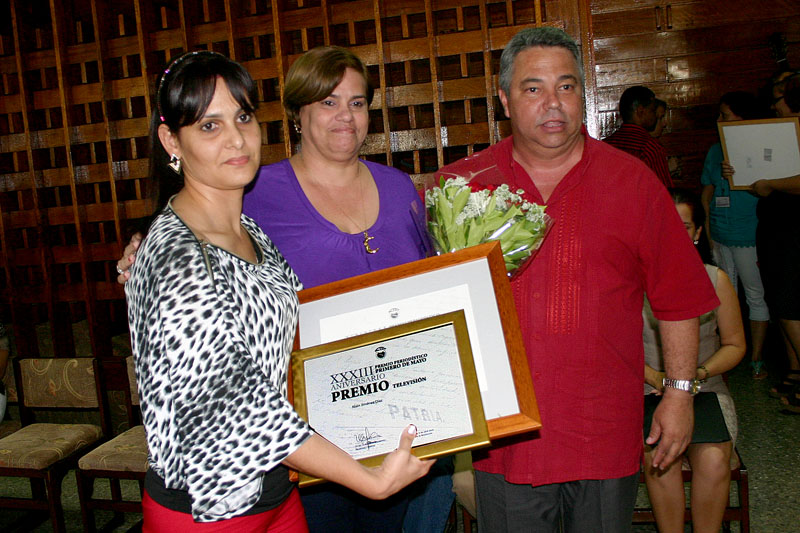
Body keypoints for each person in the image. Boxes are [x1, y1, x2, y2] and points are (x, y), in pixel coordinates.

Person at [117, 47, 452, 532]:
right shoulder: (179, 257)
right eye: (209, 125)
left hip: (277, 487)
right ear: (171, 139)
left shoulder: (250, 231)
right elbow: (238, 406)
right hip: (211, 503)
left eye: (243, 117)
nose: (236, 138)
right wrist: (369, 480)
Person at [435, 27, 719, 532]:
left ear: (583, 96)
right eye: (533, 88)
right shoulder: (462, 188)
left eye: (566, 86)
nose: (553, 103)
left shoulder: (632, 182)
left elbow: (678, 298)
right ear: (504, 100)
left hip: (601, 428)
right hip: (506, 435)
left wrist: (678, 395)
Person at [643, 189, 746, 533]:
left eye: (684, 227)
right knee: (660, 458)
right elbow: (615, 350)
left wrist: (697, 374)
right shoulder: (630, 281)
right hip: (646, 389)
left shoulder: (716, 279)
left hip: (706, 389)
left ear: (697, 232)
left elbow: (734, 344)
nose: (673, 234)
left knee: (714, 460)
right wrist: (656, 378)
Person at [700, 91, 770, 379]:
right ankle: (724, 358)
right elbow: (707, 192)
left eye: (725, 115)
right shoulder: (715, 150)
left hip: (747, 233)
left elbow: (770, 189)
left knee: (755, 294)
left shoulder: (762, 148)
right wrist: (708, 229)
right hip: (720, 233)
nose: (719, 120)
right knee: (723, 296)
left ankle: (756, 358)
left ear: (742, 118)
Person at [752, 71, 800, 412]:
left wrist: (771, 184)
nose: (775, 103)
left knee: (791, 304)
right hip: (778, 225)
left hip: (793, 228)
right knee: (782, 304)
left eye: (780, 96)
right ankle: (795, 373)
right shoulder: (783, 131)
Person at [604, 85, 673, 187]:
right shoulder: (650, 148)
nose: (655, 115)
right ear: (641, 111)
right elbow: (664, 191)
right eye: (652, 110)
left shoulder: (606, 145)